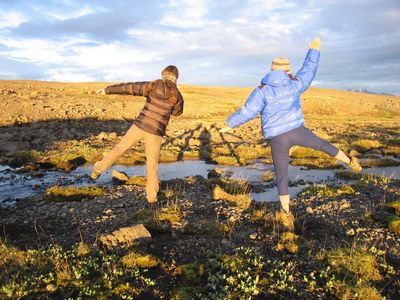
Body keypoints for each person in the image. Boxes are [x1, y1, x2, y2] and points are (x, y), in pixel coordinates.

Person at [219, 38, 361, 230]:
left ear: (271, 70)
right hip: (297, 131)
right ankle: (350, 161)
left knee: (281, 175)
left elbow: (248, 111)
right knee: (323, 146)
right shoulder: (294, 85)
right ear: (287, 70)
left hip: (278, 138)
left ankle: (286, 213)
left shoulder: (262, 90)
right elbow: (308, 71)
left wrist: (229, 124)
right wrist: (314, 51)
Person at [90, 65, 184, 204]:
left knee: (119, 149)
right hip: (156, 132)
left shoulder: (152, 85)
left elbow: (128, 88)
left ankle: (98, 169)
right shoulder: (177, 95)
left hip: (140, 126)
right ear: (176, 77)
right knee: (152, 166)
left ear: (163, 74)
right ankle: (151, 197)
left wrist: (107, 90)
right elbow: (177, 113)